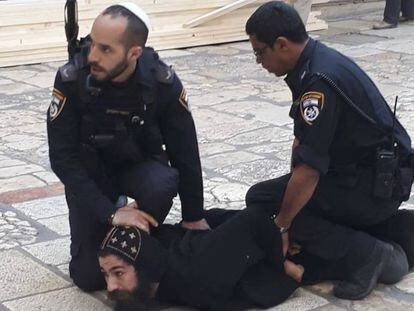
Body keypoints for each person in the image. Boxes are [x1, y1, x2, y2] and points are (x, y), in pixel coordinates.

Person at [244, 1, 414, 300]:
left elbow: (309, 172)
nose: (259, 61)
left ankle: (366, 254)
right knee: (279, 196)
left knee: (269, 205)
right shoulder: (316, 63)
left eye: (260, 52)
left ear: (281, 45)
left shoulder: (319, 83)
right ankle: (394, 232)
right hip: (369, 179)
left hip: (371, 188)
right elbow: (303, 146)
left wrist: (282, 226)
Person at [47, 2, 208, 292]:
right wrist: (109, 213)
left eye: (106, 49)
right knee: (88, 277)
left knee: (162, 182)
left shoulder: (161, 82)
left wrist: (194, 216)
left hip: (137, 165)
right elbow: (62, 158)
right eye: (93, 44)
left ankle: (139, 231)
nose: (93, 55)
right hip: (91, 175)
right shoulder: (72, 78)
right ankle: (118, 219)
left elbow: (185, 151)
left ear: (134, 53)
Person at [98, 208, 409, 311]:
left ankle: (382, 254)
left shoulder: (197, 273)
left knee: (386, 252)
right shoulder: (159, 263)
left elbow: (254, 220)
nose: (110, 287)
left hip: (293, 253)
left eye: (118, 273)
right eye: (107, 275)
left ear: (147, 267)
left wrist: (282, 262)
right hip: (262, 249)